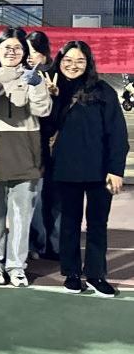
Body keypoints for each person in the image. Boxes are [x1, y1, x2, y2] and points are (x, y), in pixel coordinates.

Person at [41, 41, 128, 297]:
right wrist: (53, 98)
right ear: (59, 61)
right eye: (68, 60)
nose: (73, 65)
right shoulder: (51, 89)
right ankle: (71, 273)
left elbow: (117, 133)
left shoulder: (103, 91)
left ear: (88, 63)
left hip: (100, 170)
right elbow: (46, 129)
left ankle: (95, 274)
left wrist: (116, 169)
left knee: (97, 224)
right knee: (69, 223)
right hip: (65, 168)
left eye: (80, 60)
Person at [0, 28, 52, 288]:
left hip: (26, 150)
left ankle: (16, 266)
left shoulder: (34, 76)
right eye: (6, 47)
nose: (11, 52)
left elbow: (43, 110)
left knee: (22, 215)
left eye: (17, 48)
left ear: (24, 52)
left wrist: (36, 85)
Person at [26, 30, 60, 260]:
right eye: (27, 52)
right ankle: (37, 243)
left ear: (44, 52)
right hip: (31, 144)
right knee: (34, 198)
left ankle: (53, 244)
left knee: (53, 198)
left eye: (34, 52)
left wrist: (54, 95)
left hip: (51, 145)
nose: (30, 57)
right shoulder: (25, 74)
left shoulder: (55, 74)